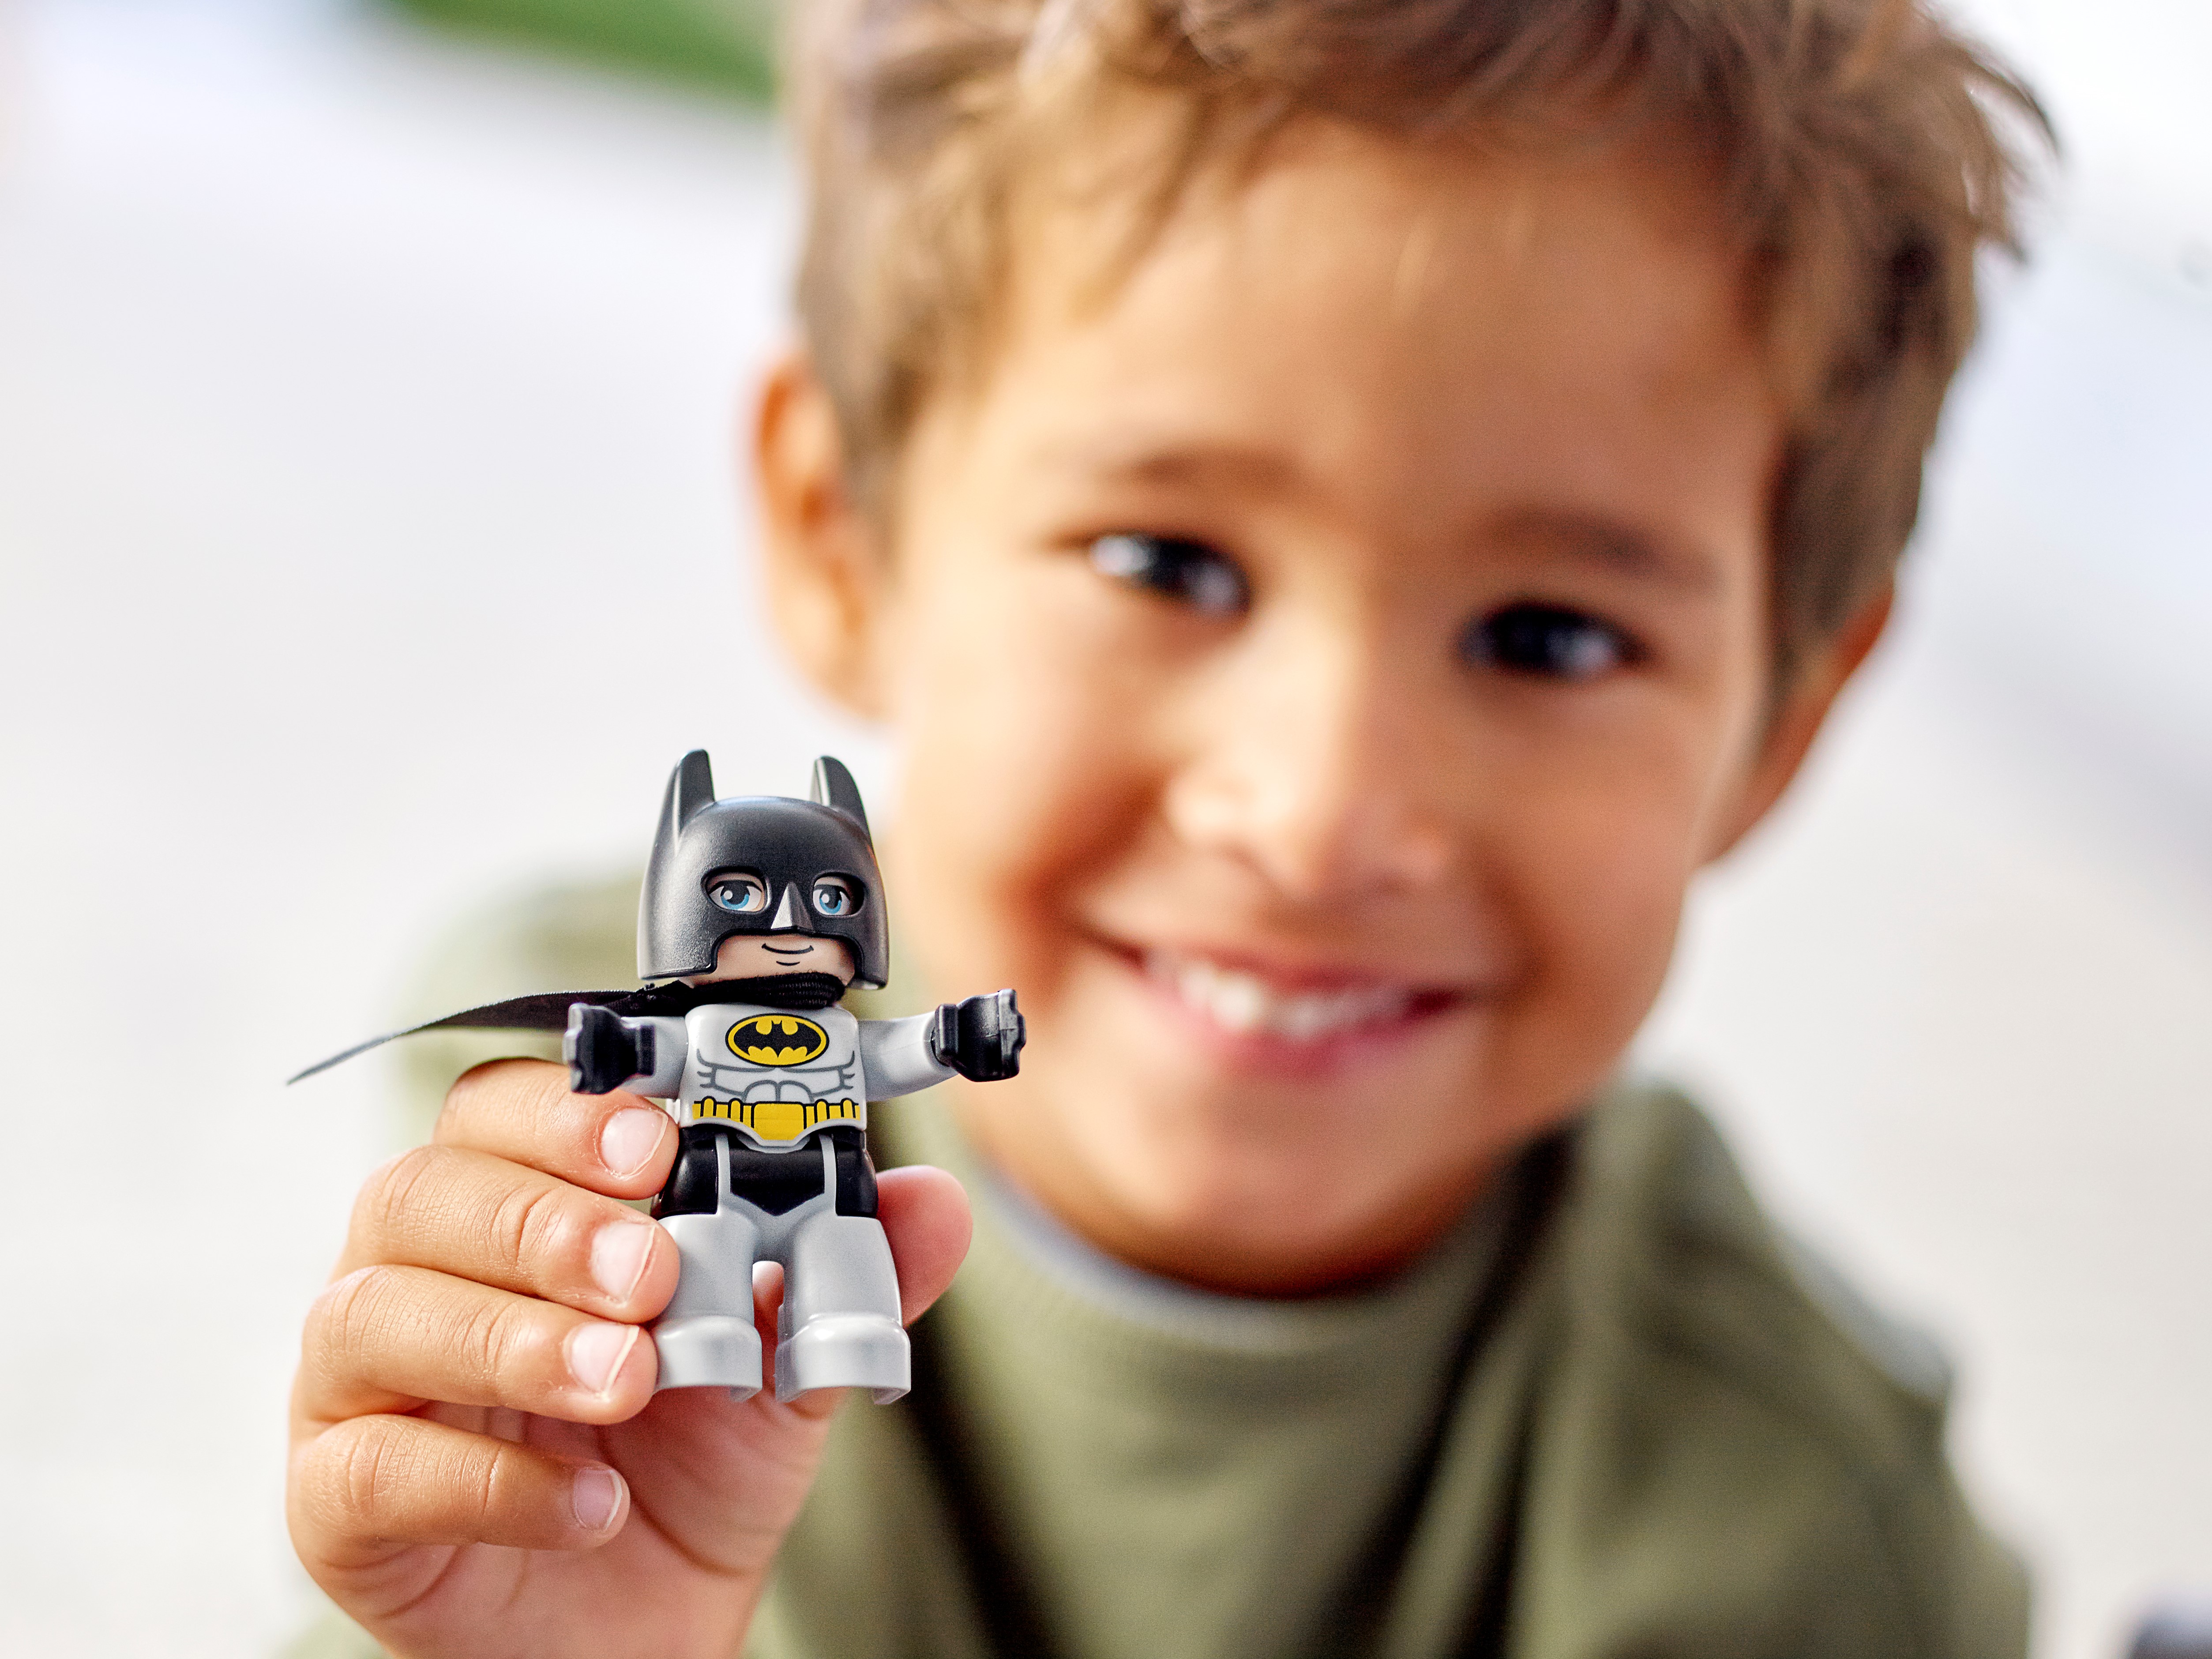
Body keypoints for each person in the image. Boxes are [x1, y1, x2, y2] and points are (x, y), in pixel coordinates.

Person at [284, 1, 2049, 1655]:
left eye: (1550, 638)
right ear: (842, 536)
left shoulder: (1810, 1520)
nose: (1319, 815)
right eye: (1168, 564)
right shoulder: (578, 1148)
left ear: (1782, 723)